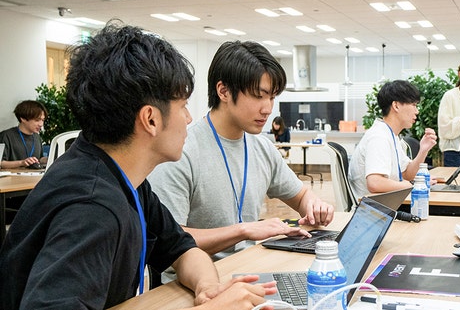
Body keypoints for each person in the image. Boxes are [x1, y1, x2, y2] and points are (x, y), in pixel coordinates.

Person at [0, 22, 276, 309]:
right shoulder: (92, 208)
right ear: (151, 119)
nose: (189, 119)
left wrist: (208, 288)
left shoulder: (124, 178)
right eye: (183, 106)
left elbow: (182, 249)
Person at [148, 41, 334, 263]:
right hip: (190, 283)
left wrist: (313, 205)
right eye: (258, 96)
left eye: (272, 97)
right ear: (224, 91)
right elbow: (168, 239)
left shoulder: (262, 147)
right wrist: (244, 230)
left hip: (247, 268)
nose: (268, 108)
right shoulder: (181, 152)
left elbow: (301, 195)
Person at [349, 80, 438, 199]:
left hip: (387, 204)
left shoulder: (391, 135)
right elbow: (375, 183)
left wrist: (423, 151)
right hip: (373, 211)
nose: (417, 111)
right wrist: (411, 185)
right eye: (413, 105)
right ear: (396, 106)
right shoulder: (379, 137)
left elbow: (406, 174)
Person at [0, 100, 48, 169]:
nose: (41, 124)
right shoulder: (6, 136)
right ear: (23, 118)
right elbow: (1, 163)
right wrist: (22, 163)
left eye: (43, 120)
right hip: (12, 178)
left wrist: (48, 159)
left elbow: (39, 159)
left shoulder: (37, 137)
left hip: (33, 177)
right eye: (37, 120)